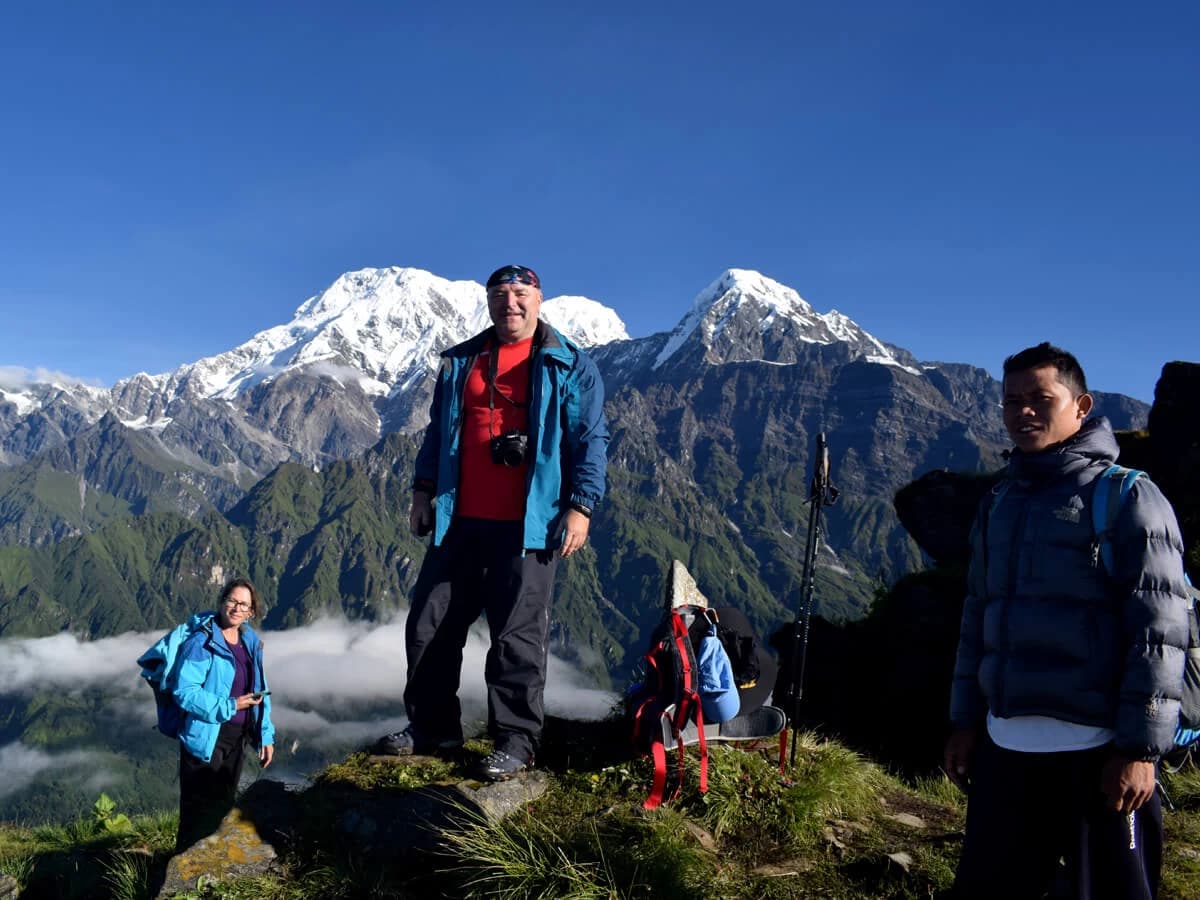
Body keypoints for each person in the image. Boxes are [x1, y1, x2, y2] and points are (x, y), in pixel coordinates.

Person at [945, 343, 1190, 899]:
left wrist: (1139, 751)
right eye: (1011, 402)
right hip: (1006, 748)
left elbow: (1160, 634)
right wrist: (966, 723)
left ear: (1081, 406)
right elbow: (977, 617)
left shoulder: (1128, 497)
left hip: (1100, 753)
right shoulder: (1000, 500)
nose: (1023, 412)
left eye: (1040, 398)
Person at [377, 263, 609, 781]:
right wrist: (422, 491)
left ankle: (517, 740)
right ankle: (433, 727)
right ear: (488, 302)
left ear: (540, 299)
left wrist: (582, 505)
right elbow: (437, 434)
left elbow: (590, 440)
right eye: (501, 295)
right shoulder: (462, 360)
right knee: (429, 626)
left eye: (521, 294)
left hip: (530, 523)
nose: (511, 304)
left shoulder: (569, 364)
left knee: (516, 638)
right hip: (458, 518)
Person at [170, 578, 275, 849]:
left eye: (244, 605)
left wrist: (265, 735)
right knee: (196, 813)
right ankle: (181, 878)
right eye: (232, 601)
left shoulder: (250, 641)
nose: (237, 608)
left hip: (237, 738)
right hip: (206, 737)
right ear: (221, 601)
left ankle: (211, 871)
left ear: (252, 612)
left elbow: (259, 690)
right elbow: (184, 692)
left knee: (223, 808)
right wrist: (229, 706)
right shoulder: (202, 643)